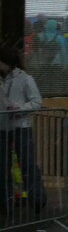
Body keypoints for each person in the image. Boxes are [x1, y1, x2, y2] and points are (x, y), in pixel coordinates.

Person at [0, 46, 46, 217]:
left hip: (21, 126)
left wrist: (19, 108)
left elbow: (36, 102)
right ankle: (5, 202)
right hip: (2, 127)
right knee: (2, 167)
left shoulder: (25, 79)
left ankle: (37, 199)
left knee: (27, 164)